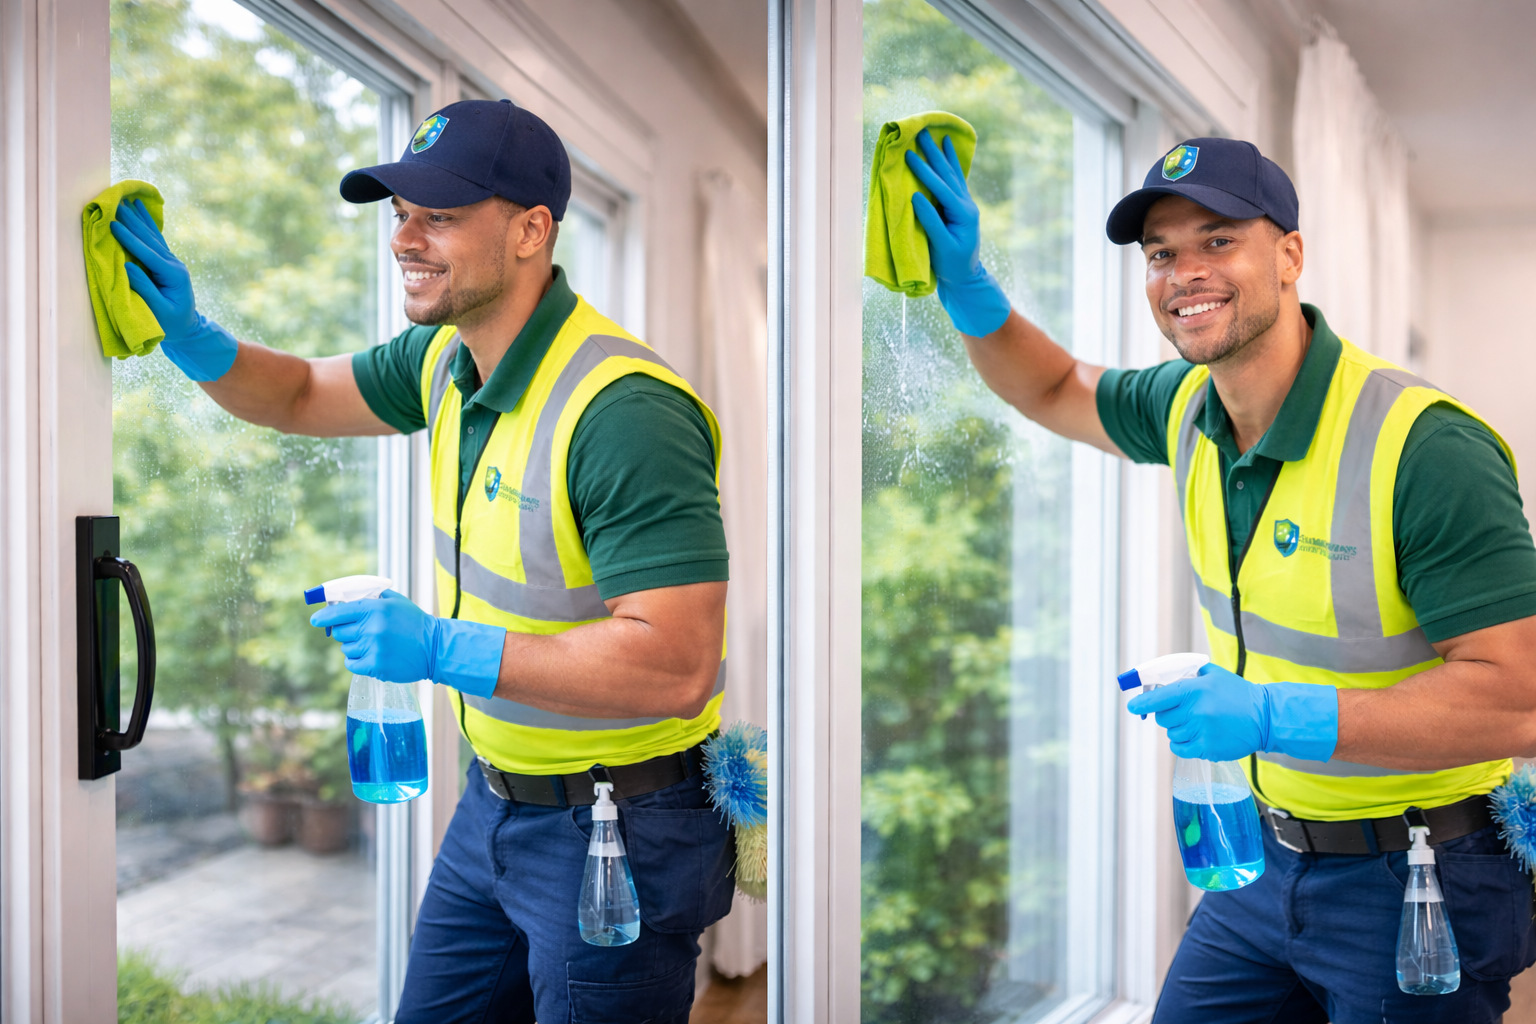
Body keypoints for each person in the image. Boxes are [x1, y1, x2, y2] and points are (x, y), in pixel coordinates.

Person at [111, 98, 734, 1023]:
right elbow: (297, 392)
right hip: (493, 802)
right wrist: (192, 336)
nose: (403, 238)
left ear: (530, 231)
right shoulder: (445, 358)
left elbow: (677, 664)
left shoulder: (623, 412)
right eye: (401, 213)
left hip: (620, 830)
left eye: (438, 215)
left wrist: (442, 648)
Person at [905, 131, 1536, 1022]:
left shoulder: (1425, 447)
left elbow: (1518, 702)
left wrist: (1274, 716)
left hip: (1419, 875)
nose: (1184, 272)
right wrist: (969, 288)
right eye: (1161, 253)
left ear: (1290, 256)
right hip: (1261, 861)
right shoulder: (1186, 407)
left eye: (1219, 239)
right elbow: (1053, 387)